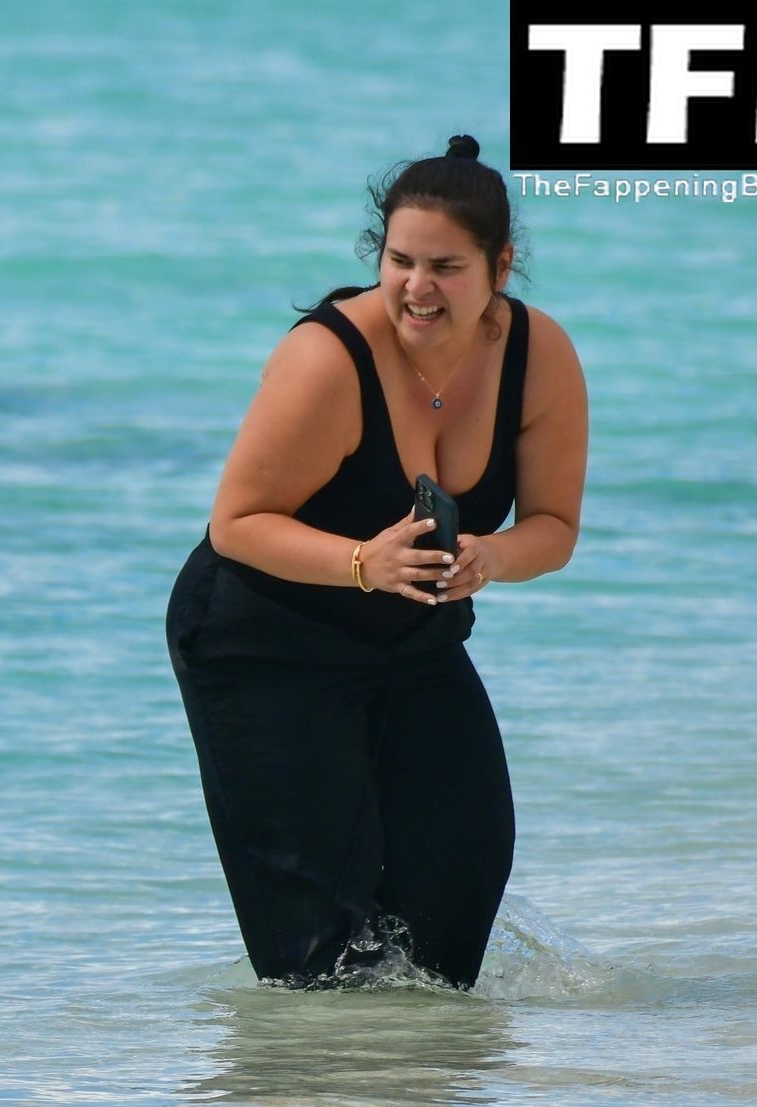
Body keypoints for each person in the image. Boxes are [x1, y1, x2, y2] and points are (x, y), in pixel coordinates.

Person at [166, 135, 588, 990]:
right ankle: (316, 1075)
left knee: (461, 874)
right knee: (319, 942)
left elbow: (553, 526)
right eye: (400, 262)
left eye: (446, 267)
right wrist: (366, 561)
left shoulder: (538, 355)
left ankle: (421, 1073)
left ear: (500, 266)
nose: (417, 288)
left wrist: (491, 556)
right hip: (265, 645)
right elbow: (236, 523)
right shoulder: (327, 358)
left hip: (414, 644)